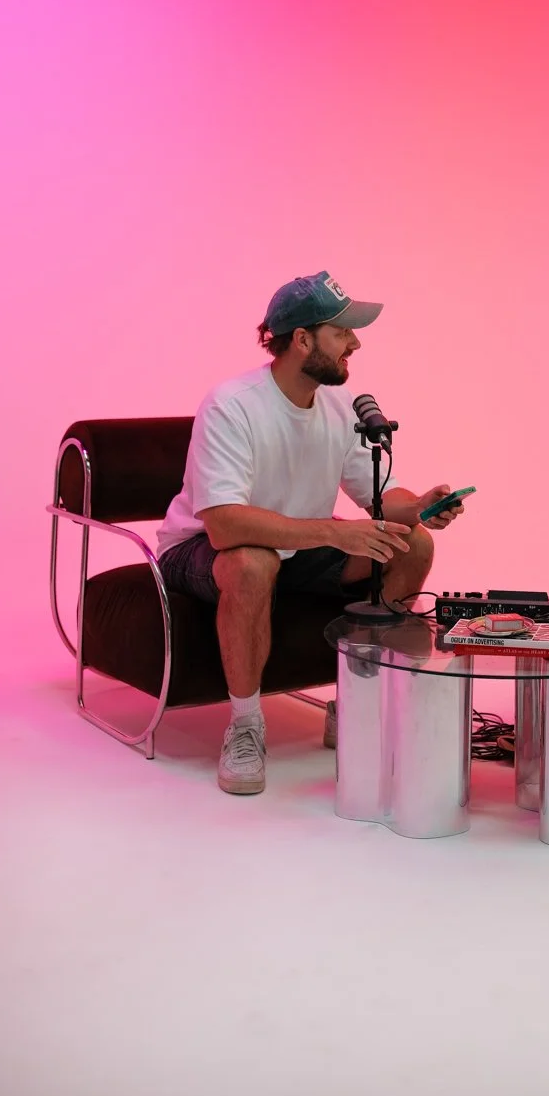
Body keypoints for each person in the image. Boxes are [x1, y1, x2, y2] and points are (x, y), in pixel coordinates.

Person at [157, 270, 465, 796]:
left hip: (295, 548)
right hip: (202, 550)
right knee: (255, 560)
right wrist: (332, 532)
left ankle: (355, 703)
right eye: (342, 331)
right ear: (302, 340)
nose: (356, 342)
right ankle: (247, 725)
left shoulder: (338, 409)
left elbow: (376, 496)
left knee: (412, 543)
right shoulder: (233, 404)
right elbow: (225, 523)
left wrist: (419, 506)